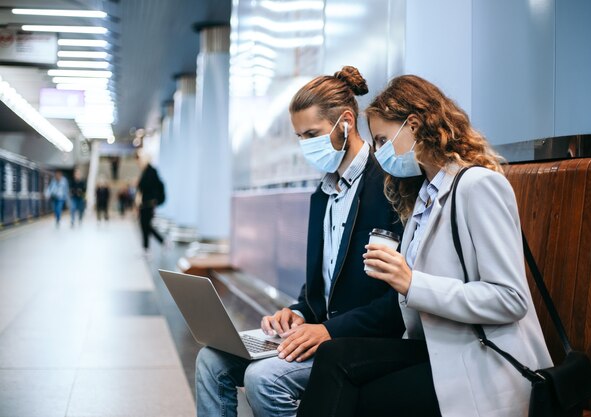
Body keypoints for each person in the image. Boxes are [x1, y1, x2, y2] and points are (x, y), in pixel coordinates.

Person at [296, 75, 553, 417]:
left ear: (414, 125)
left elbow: (511, 299)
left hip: (483, 360)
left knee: (353, 390)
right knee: (334, 357)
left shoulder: (478, 185)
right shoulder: (423, 195)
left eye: (384, 139)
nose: (381, 152)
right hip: (437, 350)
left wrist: (411, 283)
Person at [195, 66, 405, 417]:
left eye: (312, 134)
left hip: (363, 340)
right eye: (300, 137)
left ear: (346, 123)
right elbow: (318, 292)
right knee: (211, 360)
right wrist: (294, 314)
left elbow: (394, 302)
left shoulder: (388, 187)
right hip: (320, 331)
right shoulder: (322, 195)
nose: (306, 146)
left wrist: (326, 330)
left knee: (264, 379)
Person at [136, 156, 165, 252]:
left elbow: (152, 187)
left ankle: (162, 241)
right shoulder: (145, 172)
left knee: (146, 225)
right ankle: (147, 248)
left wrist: (155, 200)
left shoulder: (151, 172)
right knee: (145, 225)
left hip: (149, 204)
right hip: (144, 204)